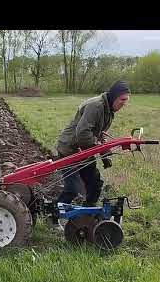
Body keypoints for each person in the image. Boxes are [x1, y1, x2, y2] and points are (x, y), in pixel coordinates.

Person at [55, 80, 131, 208]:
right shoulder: (96, 106)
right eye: (122, 99)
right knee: (73, 188)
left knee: (95, 183)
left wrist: (104, 154)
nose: (124, 104)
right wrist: (101, 149)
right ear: (114, 96)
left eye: (126, 100)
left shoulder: (109, 110)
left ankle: (88, 213)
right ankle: (55, 216)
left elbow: (98, 134)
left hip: (83, 150)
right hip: (69, 149)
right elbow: (83, 134)